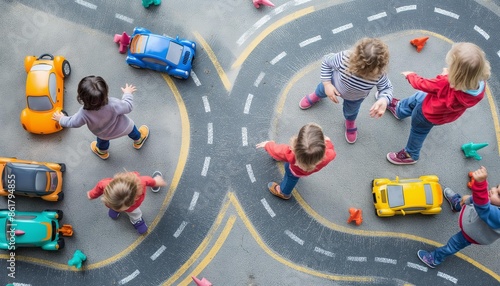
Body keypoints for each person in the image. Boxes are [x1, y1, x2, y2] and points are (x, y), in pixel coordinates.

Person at [386, 42, 491, 164]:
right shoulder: (480, 86)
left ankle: (411, 154)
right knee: (418, 98)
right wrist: (452, 76)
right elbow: (459, 83)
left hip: (427, 114)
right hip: (441, 111)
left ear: (456, 73)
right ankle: (399, 110)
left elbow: (422, 84)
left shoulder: (445, 83)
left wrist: (411, 75)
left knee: (418, 130)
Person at [299, 38, 394, 144]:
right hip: (334, 84)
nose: (362, 74)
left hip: (354, 98)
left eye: (368, 72)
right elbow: (326, 61)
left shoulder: (379, 75)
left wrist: (384, 99)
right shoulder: (344, 57)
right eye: (359, 69)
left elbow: (386, 88)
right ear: (354, 57)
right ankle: (316, 96)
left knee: (351, 112)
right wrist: (327, 84)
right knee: (320, 90)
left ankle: (350, 121)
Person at [417, 166, 500, 268]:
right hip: (475, 216)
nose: (492, 190)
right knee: (466, 201)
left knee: (453, 244)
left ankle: (435, 259)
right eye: (496, 187)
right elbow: (481, 202)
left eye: (498, 194)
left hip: (474, 233)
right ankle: (457, 204)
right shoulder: (492, 201)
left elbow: (483, 207)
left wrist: (480, 185)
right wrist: (468, 200)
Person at [52, 75, 149, 160]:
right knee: (133, 131)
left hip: (103, 134)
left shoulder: (83, 113)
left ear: (81, 97)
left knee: (102, 143)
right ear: (106, 91)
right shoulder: (113, 103)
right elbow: (128, 106)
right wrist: (127, 94)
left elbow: (72, 122)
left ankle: (102, 152)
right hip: (124, 127)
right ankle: (138, 141)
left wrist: (61, 119)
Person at [256, 123, 336, 199]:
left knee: (290, 178)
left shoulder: (291, 154)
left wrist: (268, 144)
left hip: (294, 170)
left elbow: (276, 150)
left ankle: (283, 192)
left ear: (297, 143)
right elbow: (331, 151)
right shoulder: (329, 155)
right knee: (294, 176)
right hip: (309, 169)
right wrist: (328, 143)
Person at [87, 171, 167, 234]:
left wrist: (156, 182)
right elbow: (98, 189)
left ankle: (136, 219)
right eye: (118, 208)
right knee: (117, 206)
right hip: (113, 203)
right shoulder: (106, 186)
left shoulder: (139, 184)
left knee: (134, 212)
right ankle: (115, 209)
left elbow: (148, 180)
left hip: (132, 208)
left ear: (133, 199)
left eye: (123, 208)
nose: (123, 210)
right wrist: (91, 195)